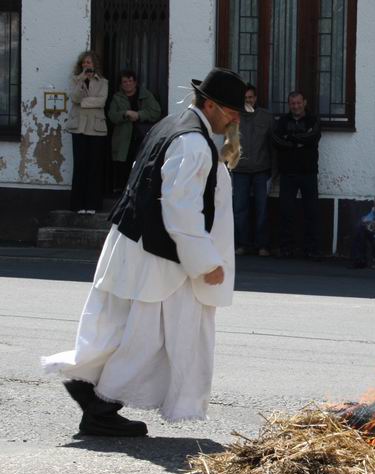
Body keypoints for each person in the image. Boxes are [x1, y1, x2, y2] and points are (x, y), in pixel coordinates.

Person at [41, 68, 247, 436]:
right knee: (149, 340)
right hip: (160, 258)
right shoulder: (194, 143)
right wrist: (207, 263)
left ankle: (88, 387)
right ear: (210, 104)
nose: (235, 118)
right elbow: (181, 208)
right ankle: (100, 406)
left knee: (122, 329)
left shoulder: (174, 125)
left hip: (138, 244)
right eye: (231, 110)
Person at [272, 91, 321, 259]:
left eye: (299, 103)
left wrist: (291, 139)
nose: (296, 106)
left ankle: (312, 249)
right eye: (293, 103)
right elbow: (277, 140)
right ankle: (286, 248)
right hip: (288, 173)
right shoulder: (282, 122)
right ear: (289, 104)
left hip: (309, 173)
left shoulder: (313, 120)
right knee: (286, 212)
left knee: (312, 212)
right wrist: (300, 141)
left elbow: (312, 138)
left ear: (304, 102)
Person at [231, 84, 275, 256]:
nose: (247, 100)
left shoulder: (266, 117)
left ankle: (262, 245)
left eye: (250, 97)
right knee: (239, 210)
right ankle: (242, 244)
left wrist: (274, 171)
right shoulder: (233, 118)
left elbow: (273, 146)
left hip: (261, 170)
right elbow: (229, 143)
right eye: (244, 98)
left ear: (255, 98)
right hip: (240, 170)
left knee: (262, 209)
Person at [66, 51, 108, 215]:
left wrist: (83, 102)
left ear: (94, 64)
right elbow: (75, 98)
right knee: (80, 166)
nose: (86, 65)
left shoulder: (103, 82)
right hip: (78, 128)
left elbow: (102, 101)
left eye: (89, 62)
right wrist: (82, 80)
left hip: (96, 129)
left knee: (94, 167)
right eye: (84, 63)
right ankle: (78, 205)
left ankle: (93, 205)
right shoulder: (75, 80)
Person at [107, 69, 162, 192]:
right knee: (122, 166)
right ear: (121, 85)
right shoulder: (117, 97)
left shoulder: (146, 95)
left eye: (130, 81)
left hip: (141, 137)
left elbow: (156, 112)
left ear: (135, 82)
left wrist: (139, 115)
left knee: (141, 164)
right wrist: (125, 113)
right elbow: (112, 116)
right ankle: (122, 194)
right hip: (123, 138)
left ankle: (138, 192)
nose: (127, 84)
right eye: (124, 82)